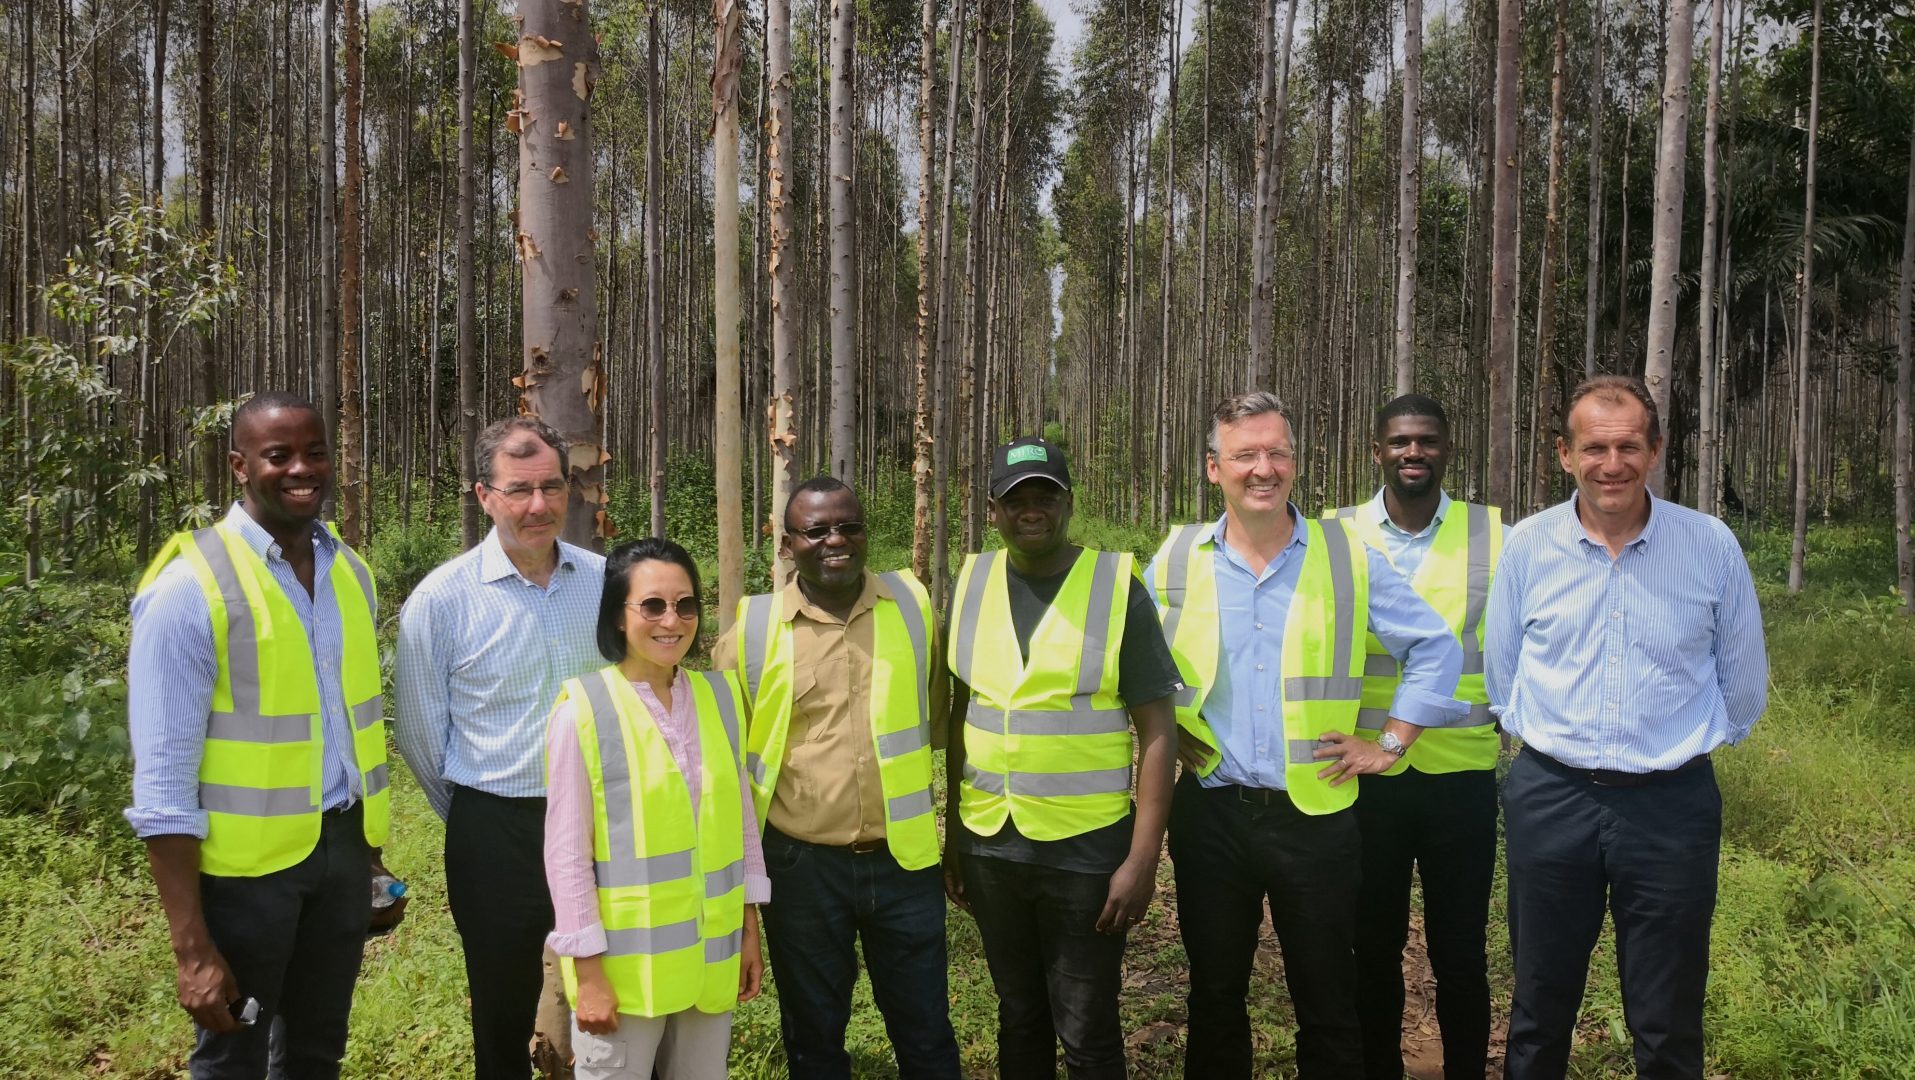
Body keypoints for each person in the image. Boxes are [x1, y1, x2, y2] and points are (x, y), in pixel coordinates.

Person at [1146, 391, 1466, 1079]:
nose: (1262, 469)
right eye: (1244, 455)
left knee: (1328, 1003)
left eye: (1276, 453)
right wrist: (1173, 727)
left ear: (1294, 462)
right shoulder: (1175, 559)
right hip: (1211, 813)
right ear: (1213, 468)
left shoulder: (1344, 555)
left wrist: (1391, 743)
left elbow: (1435, 648)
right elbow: (1136, 664)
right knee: (1214, 996)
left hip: (1315, 816)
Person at [1488, 375, 1767, 1080]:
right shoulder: (1525, 547)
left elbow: (1741, 687)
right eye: (1593, 447)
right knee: (1539, 1005)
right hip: (1550, 797)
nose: (1610, 463)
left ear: (1655, 452)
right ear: (1562, 454)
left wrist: (1671, 756)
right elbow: (1503, 676)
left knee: (1667, 1015)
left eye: (1627, 446)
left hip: (1670, 806)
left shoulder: (1708, 545)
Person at [127, 391, 404, 1079]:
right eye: (278, 456)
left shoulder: (350, 571)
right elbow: (162, 784)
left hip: (339, 855)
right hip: (243, 882)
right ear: (239, 466)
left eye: (314, 452)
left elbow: (349, 733)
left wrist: (367, 860)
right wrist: (193, 949)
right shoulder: (190, 587)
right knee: (232, 1054)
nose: (301, 469)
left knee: (316, 1049)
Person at [943, 435, 1181, 1080]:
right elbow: (965, 713)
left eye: (1045, 495)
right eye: (1016, 498)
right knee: (1018, 1015)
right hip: (992, 840)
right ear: (992, 509)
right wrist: (956, 840)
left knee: (1087, 1029)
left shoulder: (1114, 586)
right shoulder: (971, 582)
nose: (1031, 510)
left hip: (1086, 849)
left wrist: (1141, 859)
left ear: (1069, 502)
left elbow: (1158, 727)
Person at [714, 476, 961, 1079]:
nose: (835, 540)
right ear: (787, 543)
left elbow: (935, 718)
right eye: (816, 529)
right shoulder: (751, 631)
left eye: (849, 526)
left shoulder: (911, 606)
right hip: (802, 870)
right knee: (814, 1036)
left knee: (927, 1032)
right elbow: (725, 768)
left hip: (903, 864)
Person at [393, 417, 606, 1079]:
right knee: (502, 1012)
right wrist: (480, 812)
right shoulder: (441, 601)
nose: (537, 506)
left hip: (606, 825)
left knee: (620, 994)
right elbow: (422, 738)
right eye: (518, 490)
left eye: (550, 487)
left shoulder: (607, 583)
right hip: (497, 828)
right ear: (483, 495)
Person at [1325, 393, 1504, 1080]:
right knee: (1370, 947)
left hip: (1460, 776)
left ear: (1446, 450)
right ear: (1376, 451)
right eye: (1399, 441)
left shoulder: (1494, 536)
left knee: (1460, 951)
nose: (1412, 452)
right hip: (1364, 779)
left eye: (1426, 441)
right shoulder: (1334, 535)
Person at [543, 538, 768, 1080]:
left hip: (710, 962)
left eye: (685, 604)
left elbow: (739, 823)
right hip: (623, 977)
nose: (672, 620)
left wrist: (749, 926)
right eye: (652, 605)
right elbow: (567, 854)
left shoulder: (720, 698)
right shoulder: (584, 711)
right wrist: (588, 973)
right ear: (619, 617)